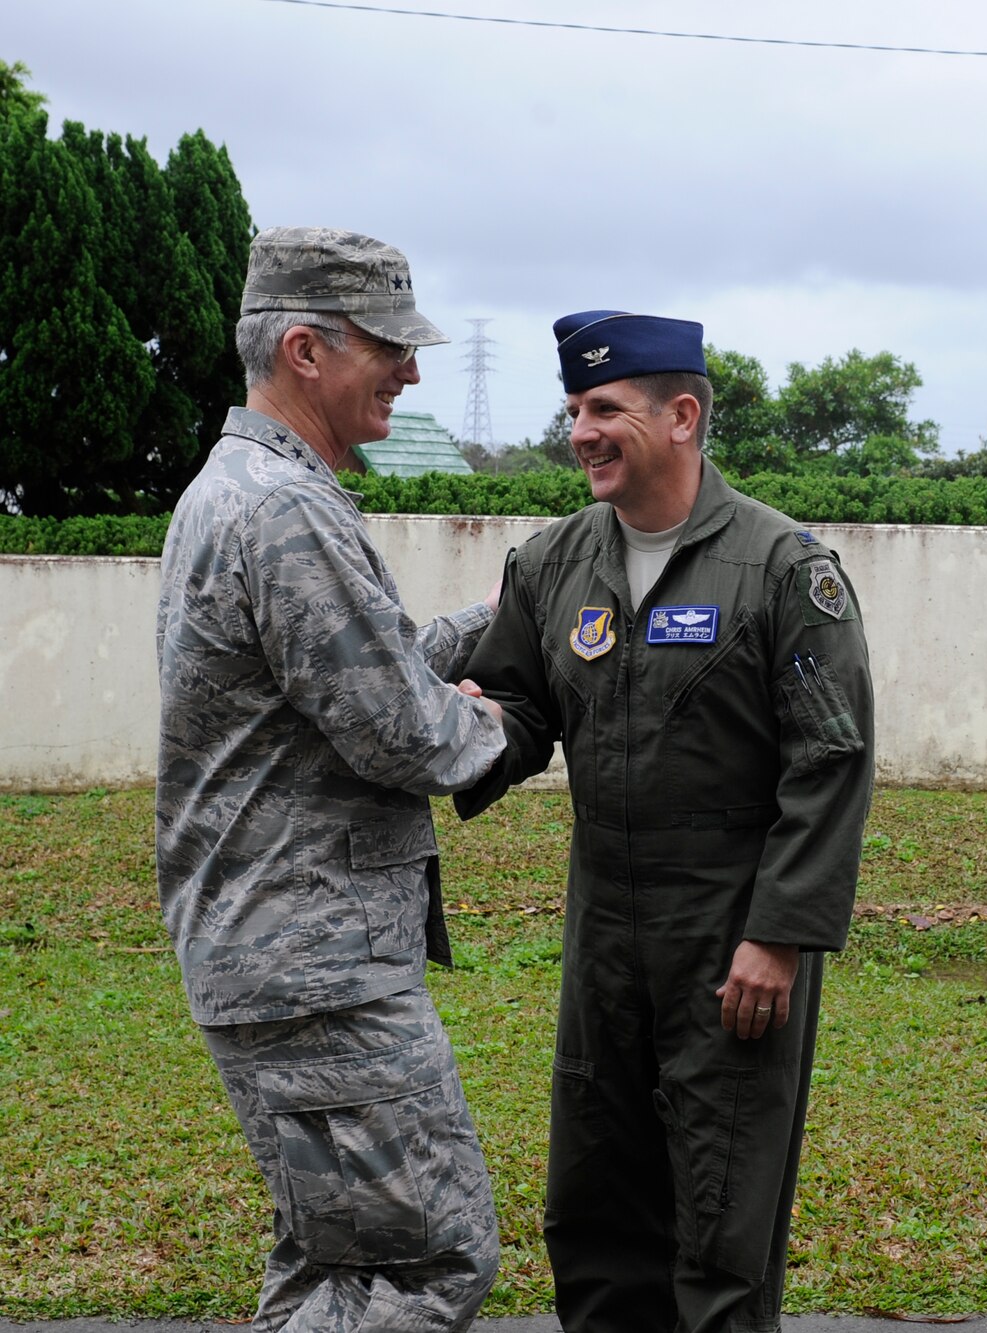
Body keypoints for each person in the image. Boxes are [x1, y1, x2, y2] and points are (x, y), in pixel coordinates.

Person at [452, 310, 875, 1333]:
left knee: (722, 1225)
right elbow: (518, 712)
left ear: (682, 415)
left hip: (729, 936)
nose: (581, 432)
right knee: (596, 1207)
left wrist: (776, 936)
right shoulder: (551, 562)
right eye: (573, 410)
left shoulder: (782, 570)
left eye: (605, 409)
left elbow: (831, 756)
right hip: (603, 930)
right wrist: (456, 730)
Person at [156, 226, 507, 1330]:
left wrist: (506, 621)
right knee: (430, 1263)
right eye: (388, 347)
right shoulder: (286, 510)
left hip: (272, 954)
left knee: (333, 1267)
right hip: (319, 975)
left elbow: (355, 667)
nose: (410, 370)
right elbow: (401, 731)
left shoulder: (241, 487)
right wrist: (500, 719)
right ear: (305, 349)